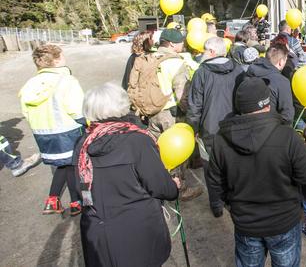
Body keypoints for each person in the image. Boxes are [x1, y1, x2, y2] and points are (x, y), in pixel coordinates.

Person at [206, 77, 306, 267]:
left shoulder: (220, 140)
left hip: (247, 223)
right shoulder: (288, 135)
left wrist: (228, 202)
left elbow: (216, 183)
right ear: (267, 104)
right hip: (282, 222)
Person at [73, 83, 179, 267]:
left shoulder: (83, 144)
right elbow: (162, 187)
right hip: (138, 232)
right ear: (123, 105)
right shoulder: (137, 141)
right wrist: (174, 186)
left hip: (99, 232)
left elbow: (79, 188)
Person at [126, 28, 202, 201]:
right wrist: (191, 118)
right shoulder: (175, 62)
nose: (183, 45)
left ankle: (155, 184)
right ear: (173, 44)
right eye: (181, 42)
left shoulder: (147, 58)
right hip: (172, 114)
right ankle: (180, 188)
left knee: (156, 151)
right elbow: (182, 94)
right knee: (175, 151)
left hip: (152, 112)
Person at [19, 44, 85, 215]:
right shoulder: (67, 81)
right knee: (71, 166)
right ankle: (76, 201)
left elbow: (26, 111)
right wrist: (90, 123)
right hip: (67, 131)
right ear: (56, 60)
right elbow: (77, 110)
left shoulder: (30, 84)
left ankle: (52, 200)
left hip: (43, 134)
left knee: (62, 166)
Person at [187, 37, 245, 186]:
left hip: (210, 129)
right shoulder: (238, 68)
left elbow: (195, 105)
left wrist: (193, 128)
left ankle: (217, 203)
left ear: (212, 52)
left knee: (212, 168)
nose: (203, 53)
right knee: (233, 163)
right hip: (234, 126)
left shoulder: (201, 73)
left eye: (205, 50)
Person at [246, 44, 294, 124]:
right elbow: (287, 115)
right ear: (281, 62)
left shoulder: (249, 70)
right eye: (286, 60)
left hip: (245, 123)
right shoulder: (282, 82)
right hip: (268, 127)